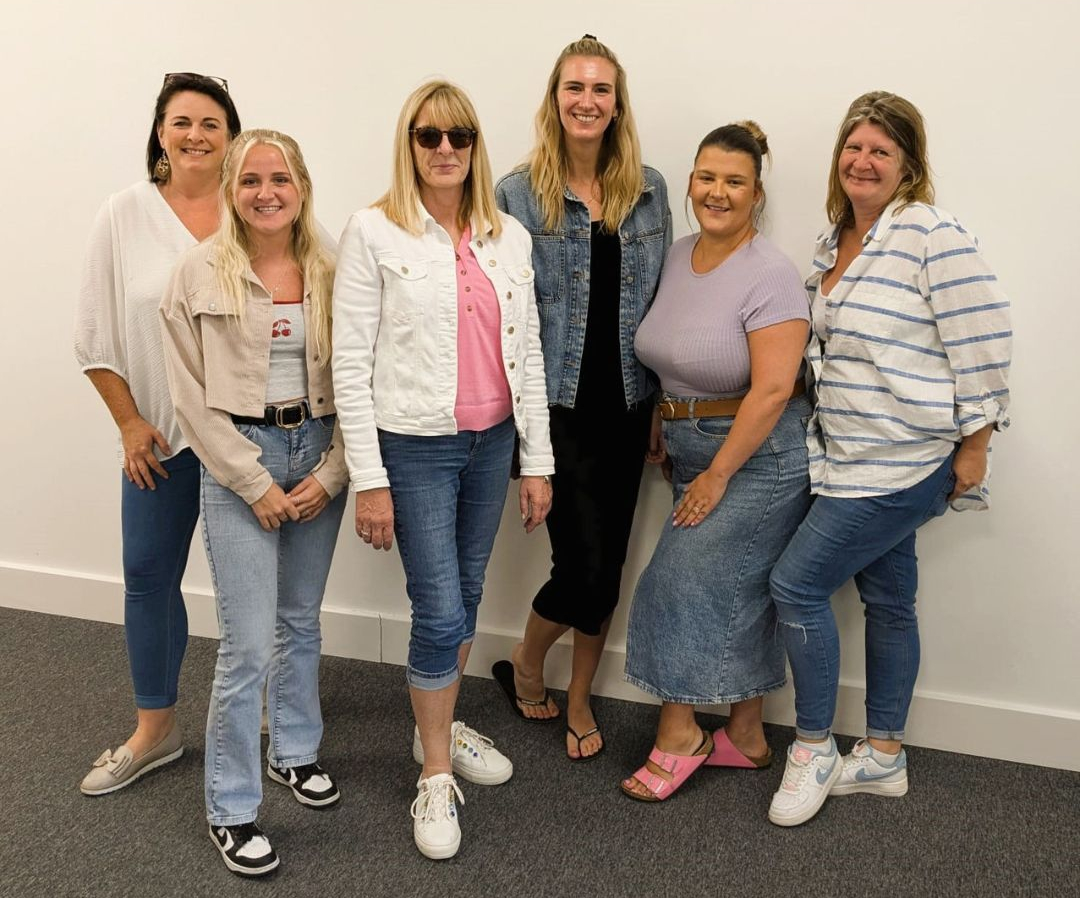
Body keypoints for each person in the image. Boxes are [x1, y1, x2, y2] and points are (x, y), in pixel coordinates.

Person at [766, 91, 1012, 827]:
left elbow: (984, 337)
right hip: (844, 456)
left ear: (908, 164)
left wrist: (976, 445)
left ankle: (813, 747)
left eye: (881, 150)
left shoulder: (930, 233)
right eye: (854, 146)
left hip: (905, 459)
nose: (863, 161)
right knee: (890, 601)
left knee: (795, 586)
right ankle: (883, 755)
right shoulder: (833, 240)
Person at [331, 80, 554, 861]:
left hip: (492, 444)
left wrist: (537, 461)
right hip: (415, 447)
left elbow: (529, 355)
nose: (446, 148)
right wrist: (369, 479)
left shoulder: (508, 236)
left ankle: (442, 720)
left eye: (460, 135)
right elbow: (350, 363)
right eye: (429, 135)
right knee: (439, 608)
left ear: (475, 145)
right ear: (410, 144)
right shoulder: (373, 231)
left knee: (466, 592)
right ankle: (433, 772)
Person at [160, 129, 348, 875]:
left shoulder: (333, 266)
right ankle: (231, 807)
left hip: (317, 454)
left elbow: (363, 375)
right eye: (250, 180)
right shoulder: (196, 274)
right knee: (245, 646)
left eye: (280, 179)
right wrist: (254, 482)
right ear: (230, 190)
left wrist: (332, 474)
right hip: (240, 458)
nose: (266, 193)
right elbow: (190, 398)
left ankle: (293, 752)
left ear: (302, 186)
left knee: (300, 619)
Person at [620, 122, 811, 800]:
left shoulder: (771, 274)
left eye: (734, 182)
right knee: (738, 590)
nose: (717, 192)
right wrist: (662, 417)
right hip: (690, 446)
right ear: (691, 181)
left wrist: (719, 472)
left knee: (676, 581)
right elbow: (670, 350)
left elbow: (773, 390)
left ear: (757, 194)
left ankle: (680, 735)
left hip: (759, 458)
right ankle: (748, 736)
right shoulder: (678, 256)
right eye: (707, 177)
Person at [493, 35, 671, 761]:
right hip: (554, 410)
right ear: (555, 99)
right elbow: (502, 313)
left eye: (601, 89)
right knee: (582, 571)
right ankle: (528, 659)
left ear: (617, 104)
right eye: (575, 87)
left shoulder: (649, 190)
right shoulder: (515, 194)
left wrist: (660, 405)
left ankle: (578, 694)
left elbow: (663, 304)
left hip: (626, 407)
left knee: (611, 565)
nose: (587, 101)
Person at [74, 73, 241, 796]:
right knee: (147, 578)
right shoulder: (124, 214)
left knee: (258, 591)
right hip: (163, 444)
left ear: (231, 137)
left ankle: (278, 722)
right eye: (182, 122)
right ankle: (156, 729)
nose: (195, 135)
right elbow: (94, 335)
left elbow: (317, 291)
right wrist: (128, 422)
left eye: (211, 123)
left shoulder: (256, 204)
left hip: (248, 444)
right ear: (160, 133)